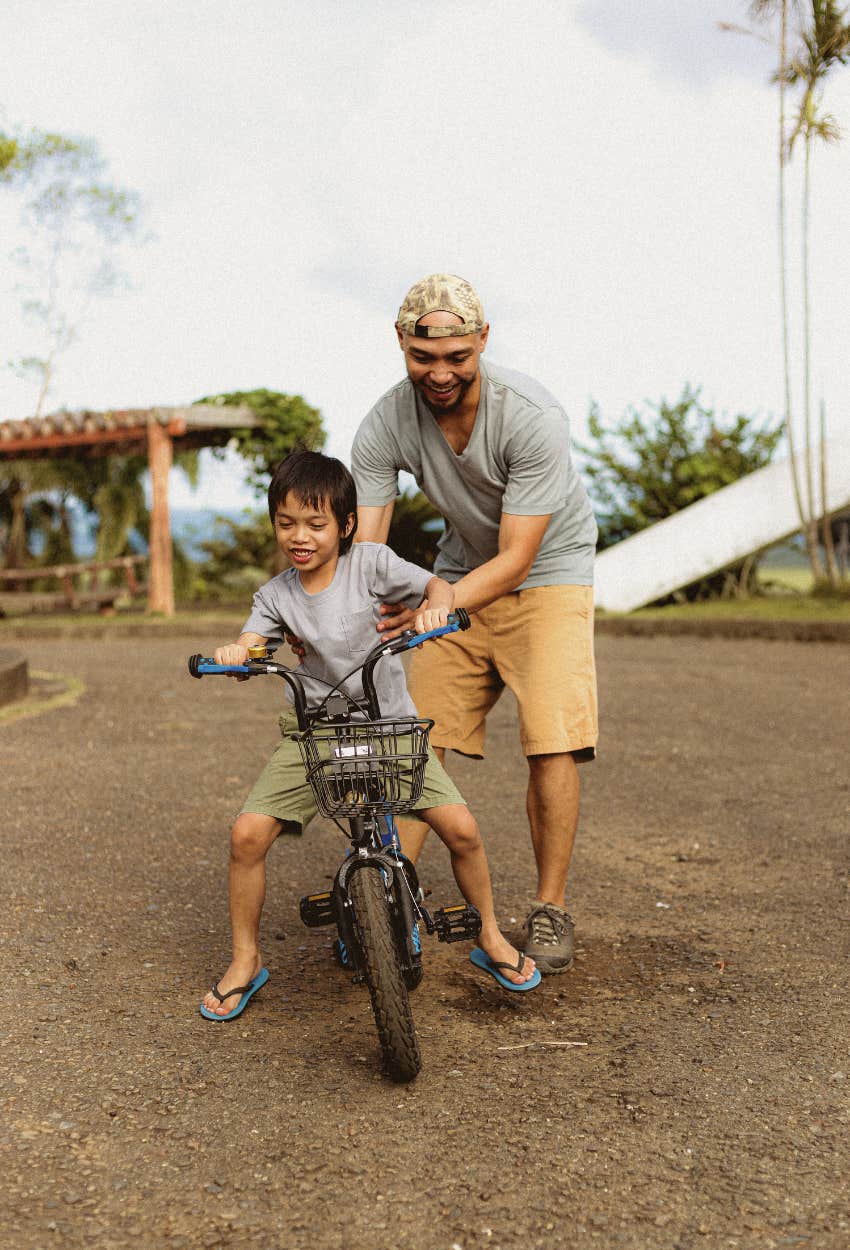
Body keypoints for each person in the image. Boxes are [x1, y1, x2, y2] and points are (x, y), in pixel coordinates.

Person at [199, 449, 537, 1020]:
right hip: (315, 736)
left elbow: (437, 588)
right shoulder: (276, 595)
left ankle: (491, 936)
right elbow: (255, 640)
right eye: (286, 523)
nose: (299, 536)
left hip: (390, 728)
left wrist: (435, 608)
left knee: (462, 830)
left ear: (346, 524)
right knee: (246, 837)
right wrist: (240, 652)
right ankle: (244, 960)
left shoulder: (373, 565)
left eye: (315, 523)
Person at [350, 274, 598, 976]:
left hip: (548, 571)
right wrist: (360, 609)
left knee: (552, 737)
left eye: (457, 356)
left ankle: (549, 908)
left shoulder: (531, 416)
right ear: (400, 343)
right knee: (412, 735)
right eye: (424, 357)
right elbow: (368, 552)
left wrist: (440, 601)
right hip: (456, 571)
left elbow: (518, 558)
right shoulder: (384, 424)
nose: (441, 372)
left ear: (482, 342)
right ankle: (390, 895)